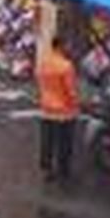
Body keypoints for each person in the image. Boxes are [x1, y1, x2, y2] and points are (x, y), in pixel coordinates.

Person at [37, 36, 81, 181]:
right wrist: (78, 104)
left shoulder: (43, 63)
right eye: (68, 45)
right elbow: (71, 91)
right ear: (60, 46)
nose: (70, 48)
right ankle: (63, 170)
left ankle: (46, 169)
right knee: (64, 142)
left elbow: (40, 83)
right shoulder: (66, 66)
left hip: (46, 108)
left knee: (47, 141)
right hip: (64, 112)